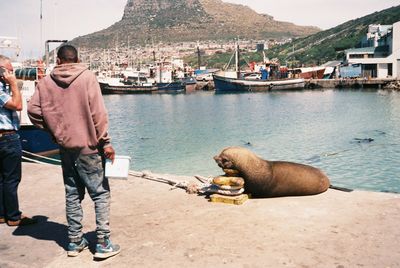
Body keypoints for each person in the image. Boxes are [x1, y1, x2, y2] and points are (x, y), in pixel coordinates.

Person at [27, 45, 120, 259]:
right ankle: (103, 242)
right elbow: (98, 113)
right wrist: (105, 142)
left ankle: (75, 241)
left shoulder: (46, 82)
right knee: (100, 193)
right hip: (89, 147)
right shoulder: (87, 77)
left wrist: (53, 130)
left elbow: (33, 110)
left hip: (65, 147)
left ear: (58, 61)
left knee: (72, 193)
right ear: (77, 59)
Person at [0, 55, 37, 227]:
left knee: (2, 178)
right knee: (12, 179)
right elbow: (17, 105)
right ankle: (14, 217)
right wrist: (14, 84)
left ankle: (2, 214)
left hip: (4, 137)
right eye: (9, 70)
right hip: (7, 138)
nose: (11, 73)